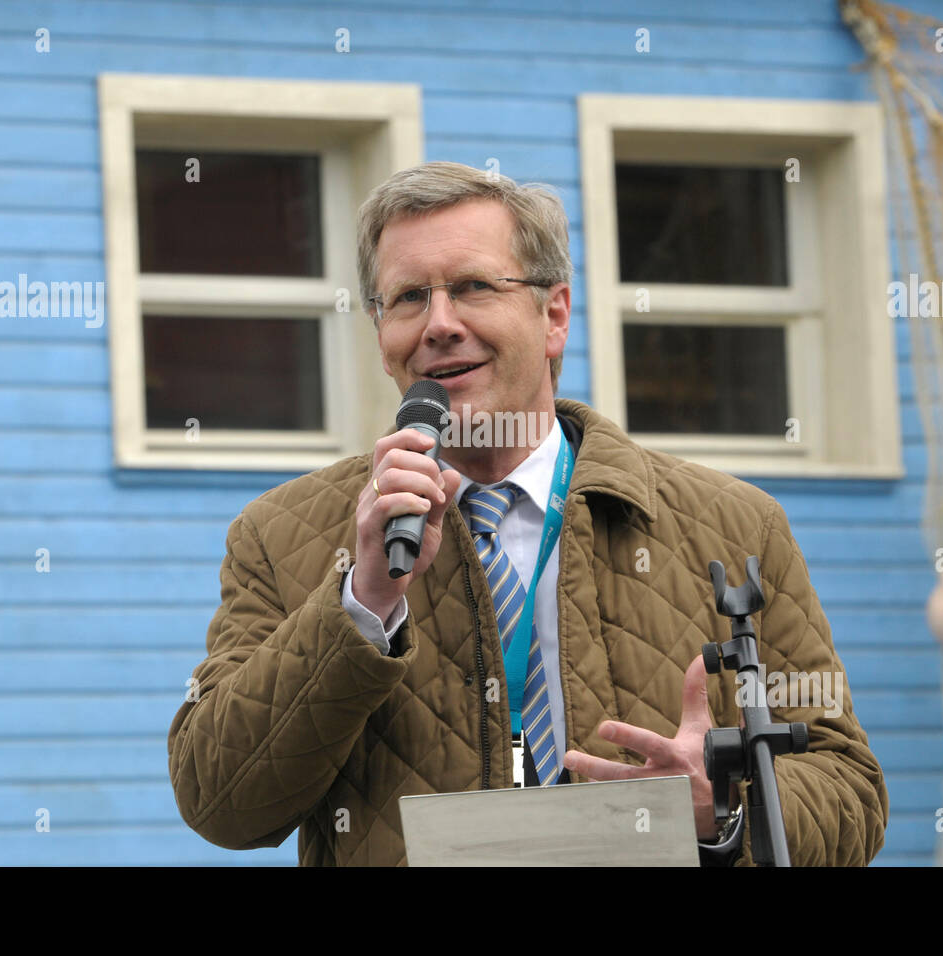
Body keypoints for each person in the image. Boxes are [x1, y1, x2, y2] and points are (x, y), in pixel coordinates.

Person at [167, 161, 889, 866]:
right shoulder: (280, 536)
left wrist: (727, 807)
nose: (440, 324)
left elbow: (850, 792)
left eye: (474, 287)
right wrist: (363, 602)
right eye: (409, 298)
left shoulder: (733, 527)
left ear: (553, 316)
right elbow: (221, 802)